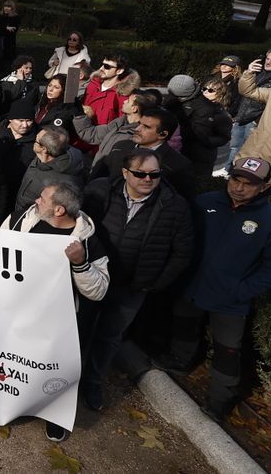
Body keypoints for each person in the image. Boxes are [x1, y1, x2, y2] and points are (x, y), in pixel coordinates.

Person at [154, 158, 271, 420]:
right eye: (235, 180)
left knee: (227, 350)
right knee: (184, 325)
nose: (239, 188)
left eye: (248, 184)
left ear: (264, 187)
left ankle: (220, 400)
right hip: (192, 287)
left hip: (230, 302)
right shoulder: (206, 203)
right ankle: (180, 360)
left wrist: (239, 291)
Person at [79, 150, 193, 412]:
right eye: (141, 173)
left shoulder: (175, 206)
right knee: (78, 330)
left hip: (131, 288)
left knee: (109, 337)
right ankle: (66, 377)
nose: (148, 179)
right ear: (125, 173)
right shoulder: (101, 191)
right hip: (90, 277)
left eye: (154, 174)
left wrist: (155, 282)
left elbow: (183, 252)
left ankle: (93, 382)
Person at [3, 181, 109, 442]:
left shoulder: (88, 241)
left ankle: (55, 416)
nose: (35, 201)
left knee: (55, 369)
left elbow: (98, 291)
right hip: (19, 314)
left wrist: (80, 263)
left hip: (60, 323)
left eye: (42, 198)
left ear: (60, 210)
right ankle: (18, 404)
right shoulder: (20, 221)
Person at [92, 108, 195, 200]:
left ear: (163, 134)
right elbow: (99, 177)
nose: (137, 129)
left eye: (146, 127)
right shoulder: (120, 146)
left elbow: (182, 202)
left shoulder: (178, 165)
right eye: (139, 124)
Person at [222, 48, 271, 174]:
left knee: (250, 151)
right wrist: (249, 71)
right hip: (241, 117)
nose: (268, 62)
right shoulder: (256, 72)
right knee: (234, 146)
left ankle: (242, 173)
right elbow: (241, 95)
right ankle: (228, 170)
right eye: (267, 58)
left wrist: (262, 121)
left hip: (257, 122)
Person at [164, 74, 231, 178]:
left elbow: (223, 136)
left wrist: (206, 141)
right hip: (173, 153)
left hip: (198, 158)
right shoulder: (172, 100)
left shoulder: (210, 110)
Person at [82, 53, 140, 126]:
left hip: (101, 136)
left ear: (119, 71)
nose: (101, 68)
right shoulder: (91, 84)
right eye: (102, 64)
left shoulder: (123, 96)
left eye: (107, 66)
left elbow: (122, 126)